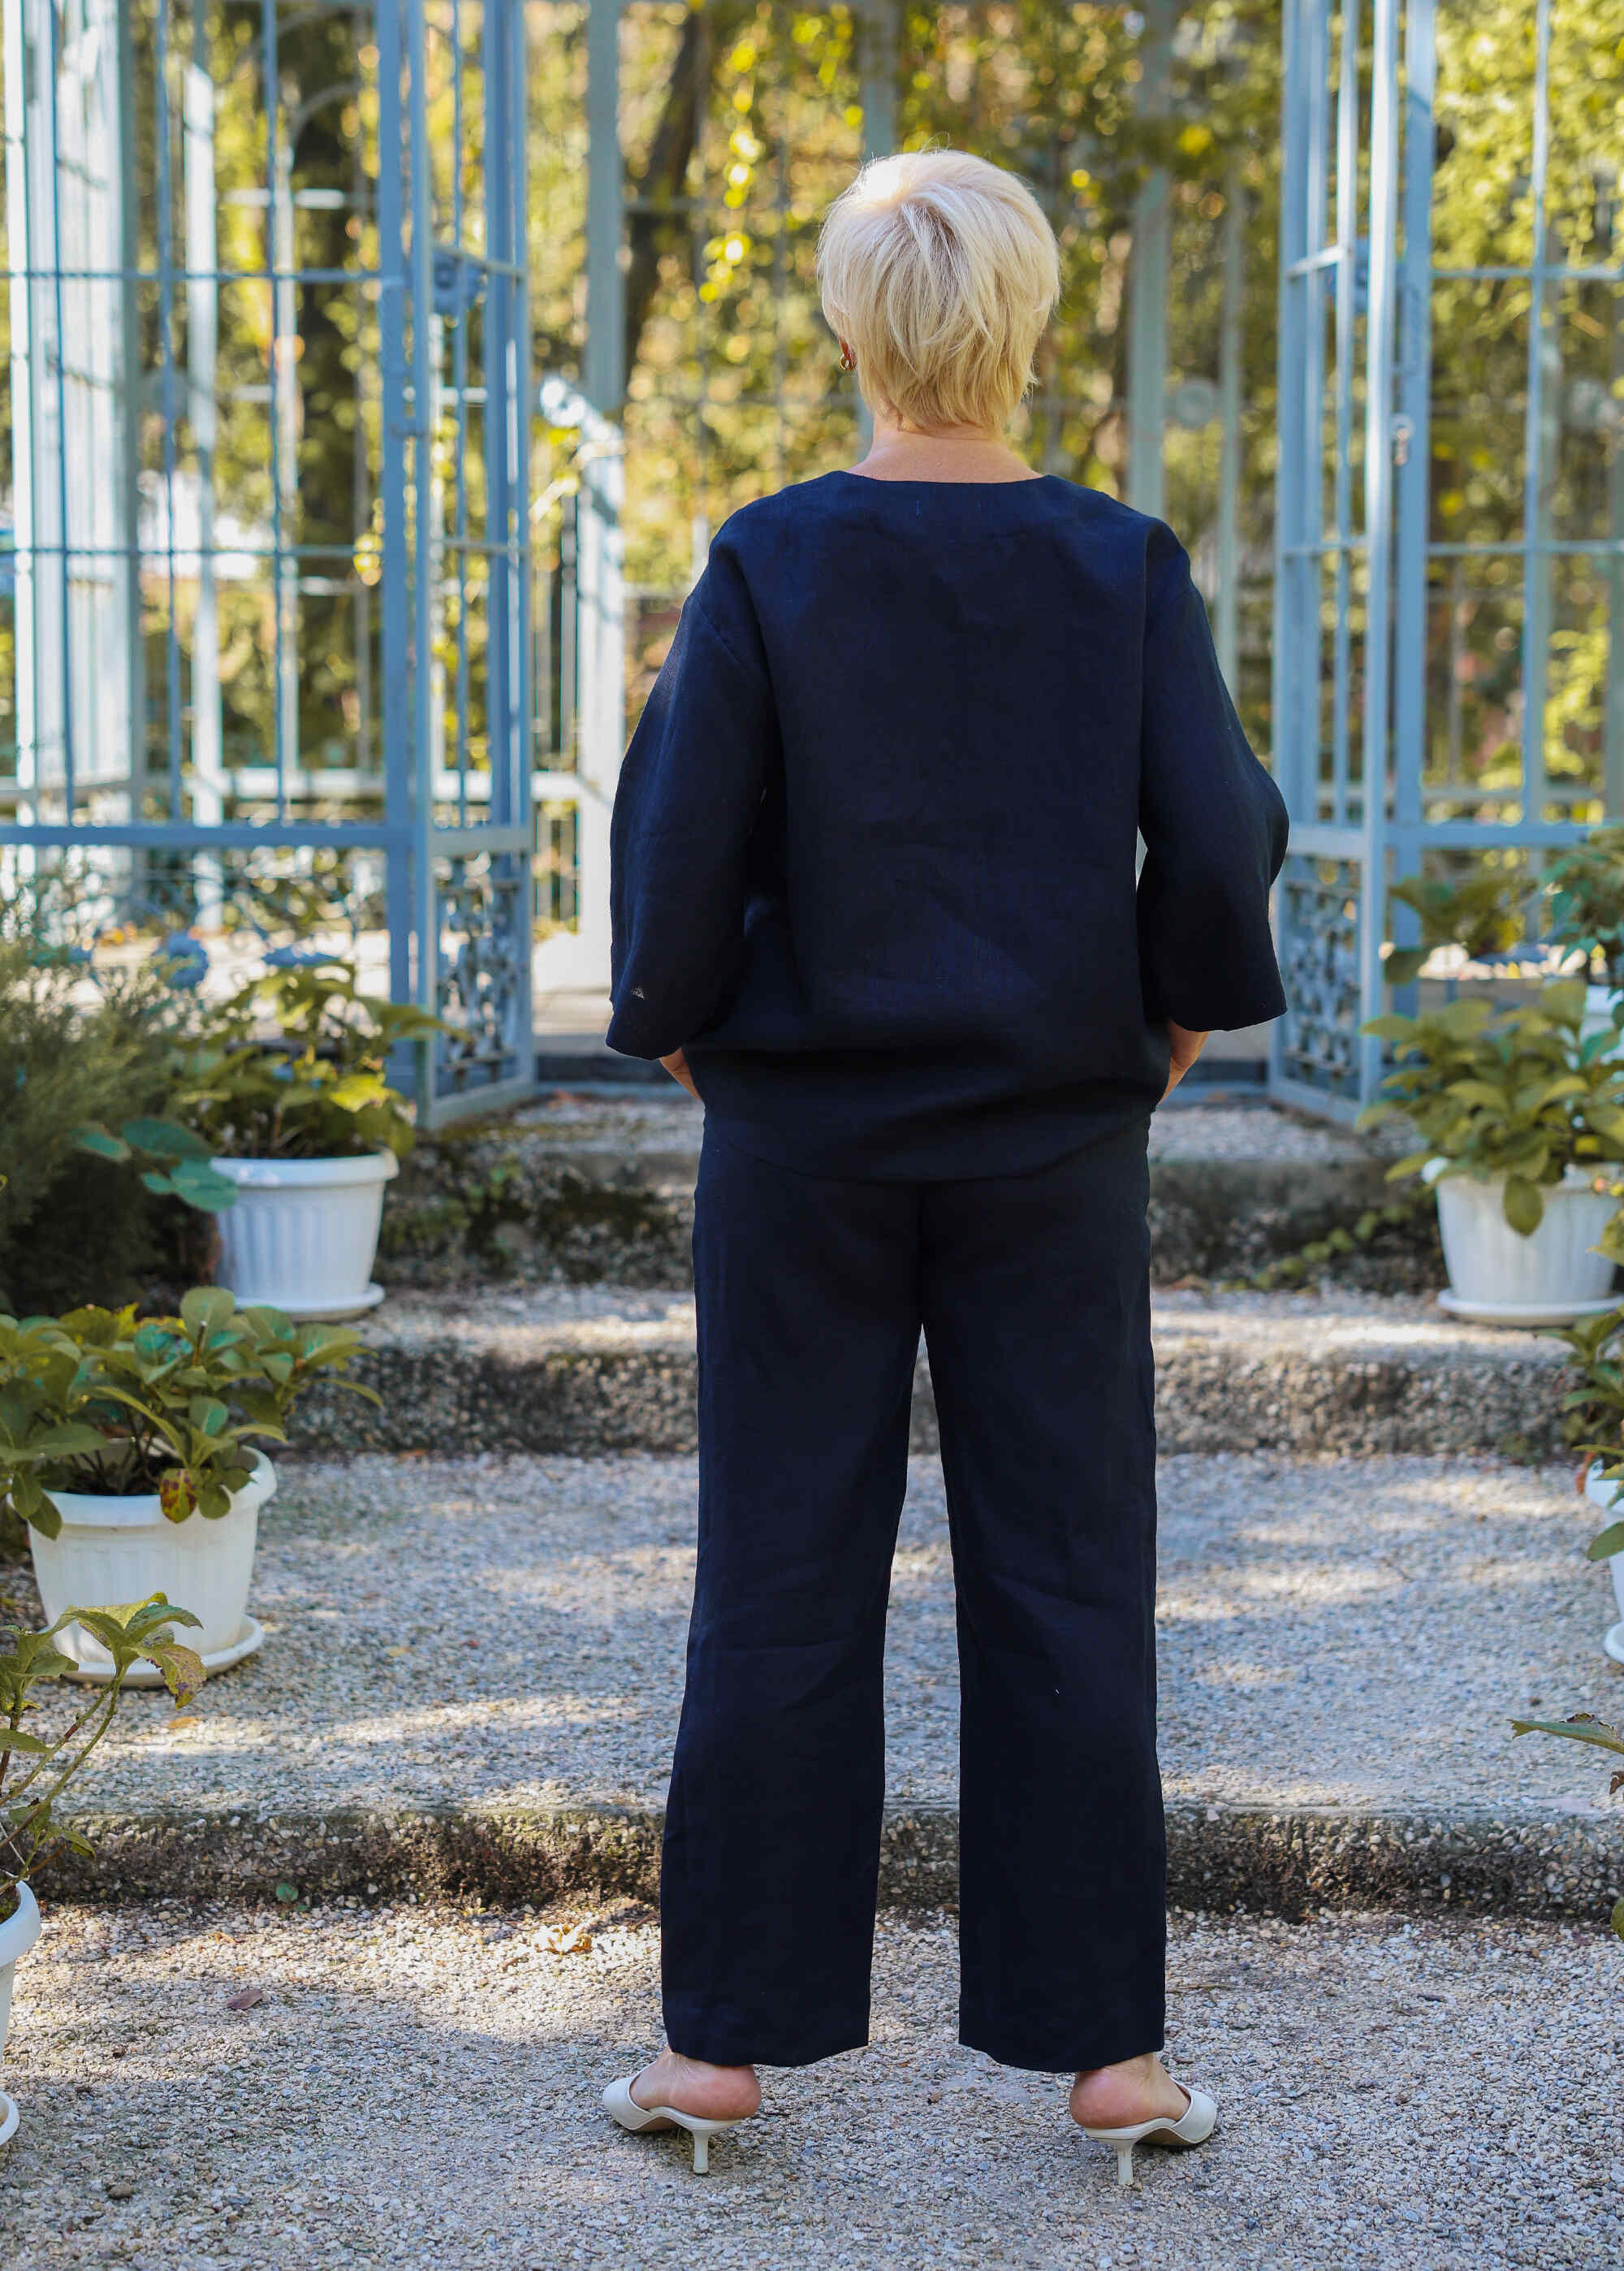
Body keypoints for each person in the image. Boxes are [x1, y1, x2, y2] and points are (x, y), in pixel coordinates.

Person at [598, 147, 1288, 2188]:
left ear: (846, 330)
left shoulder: (765, 562)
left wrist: (690, 1025)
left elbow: (677, 835)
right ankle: (1110, 2068)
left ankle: (719, 2058)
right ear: (1029, 327)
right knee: (1069, 1577)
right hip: (1053, 1146)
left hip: (802, 1144)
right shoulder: (1120, 563)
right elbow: (1222, 833)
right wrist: (1168, 1019)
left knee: (779, 1573)